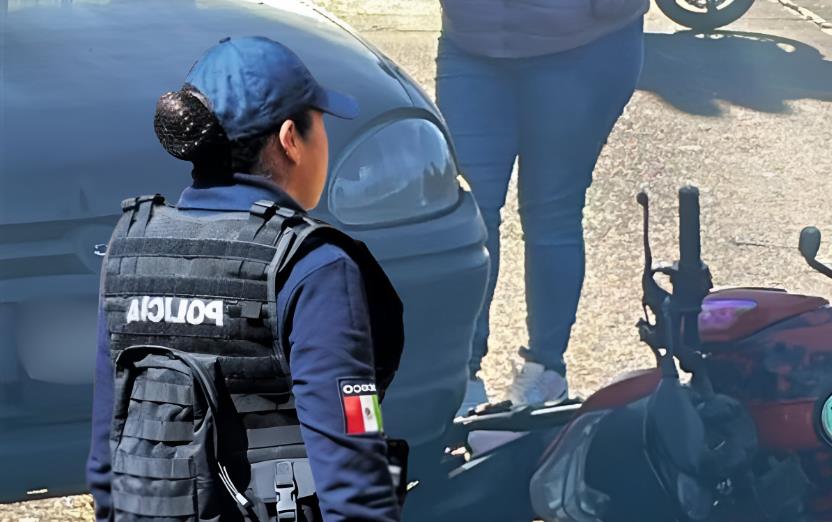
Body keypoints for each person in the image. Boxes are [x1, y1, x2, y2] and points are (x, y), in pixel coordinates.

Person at [86, 36, 405, 522]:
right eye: (319, 124)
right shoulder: (313, 266)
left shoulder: (132, 252)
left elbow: (108, 460)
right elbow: (351, 476)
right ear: (290, 139)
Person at [437, 1, 648, 411]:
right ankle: (458, 375)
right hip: (471, 44)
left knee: (552, 211)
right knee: (466, 211)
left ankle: (546, 372)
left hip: (582, 48)